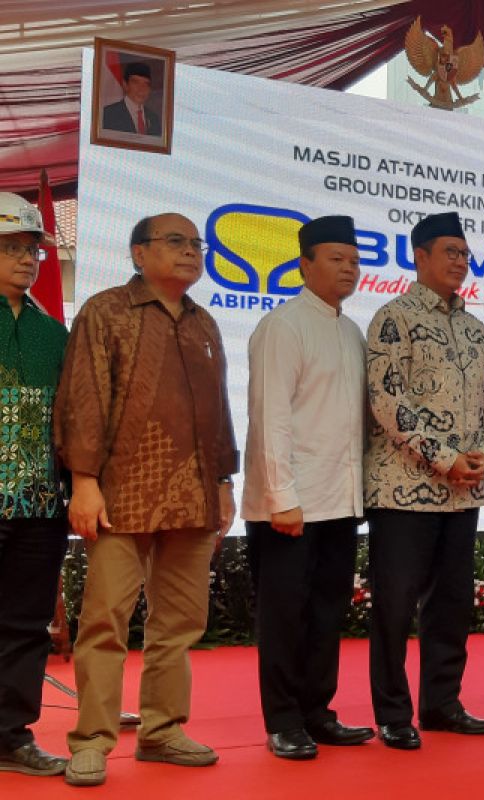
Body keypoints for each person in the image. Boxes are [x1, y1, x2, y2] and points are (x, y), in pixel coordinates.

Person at [54, 213, 238, 787]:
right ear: (138, 253)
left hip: (194, 494)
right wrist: (84, 480)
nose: (190, 252)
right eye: (175, 242)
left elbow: (219, 410)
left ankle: (162, 732)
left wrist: (224, 480)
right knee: (105, 621)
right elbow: (82, 397)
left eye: (196, 244)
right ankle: (92, 741)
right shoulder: (105, 311)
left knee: (180, 622)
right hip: (120, 494)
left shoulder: (205, 323)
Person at [365, 212, 484, 747]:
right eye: (449, 251)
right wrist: (446, 458)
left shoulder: (476, 330)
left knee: (451, 605)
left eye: (465, 253)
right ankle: (394, 714)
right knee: (395, 608)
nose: (460, 261)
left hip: (463, 492)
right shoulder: (391, 319)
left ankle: (443, 704)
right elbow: (387, 402)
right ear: (418, 257)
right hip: (403, 492)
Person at [241, 215, 372, 760]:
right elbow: (271, 417)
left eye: (354, 260)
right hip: (289, 505)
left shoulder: (351, 330)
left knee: (326, 611)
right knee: (285, 615)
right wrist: (282, 498)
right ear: (305, 265)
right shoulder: (284, 325)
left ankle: (318, 712)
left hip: (340, 501)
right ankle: (284, 720)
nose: (349, 268)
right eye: (336, 259)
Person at [0, 193, 70, 778]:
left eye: (32, 251)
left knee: (25, 623)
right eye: (12, 248)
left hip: (41, 504)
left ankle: (11, 736)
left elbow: (71, 422)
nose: (27, 260)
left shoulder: (55, 336)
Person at [100, 62, 162, 137]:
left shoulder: (154, 119)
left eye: (146, 84)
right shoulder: (108, 114)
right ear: (125, 85)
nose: (141, 89)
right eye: (136, 82)